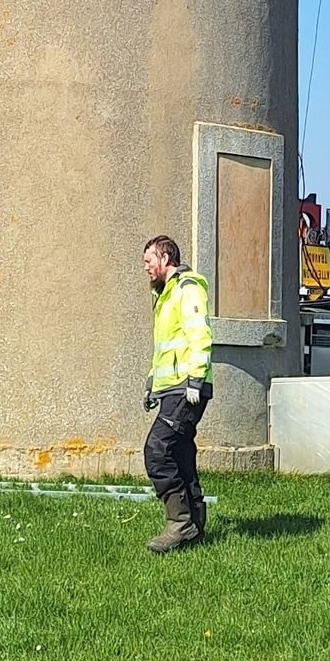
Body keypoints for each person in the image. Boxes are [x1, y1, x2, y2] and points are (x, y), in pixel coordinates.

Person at [141, 234, 213, 554]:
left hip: (187, 388)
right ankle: (194, 525)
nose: (146, 267)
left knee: (157, 450)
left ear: (165, 258)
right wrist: (152, 383)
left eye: (149, 261)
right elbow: (166, 348)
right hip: (172, 388)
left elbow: (200, 335)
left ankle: (179, 523)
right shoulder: (166, 294)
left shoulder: (187, 288)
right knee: (180, 452)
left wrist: (196, 380)